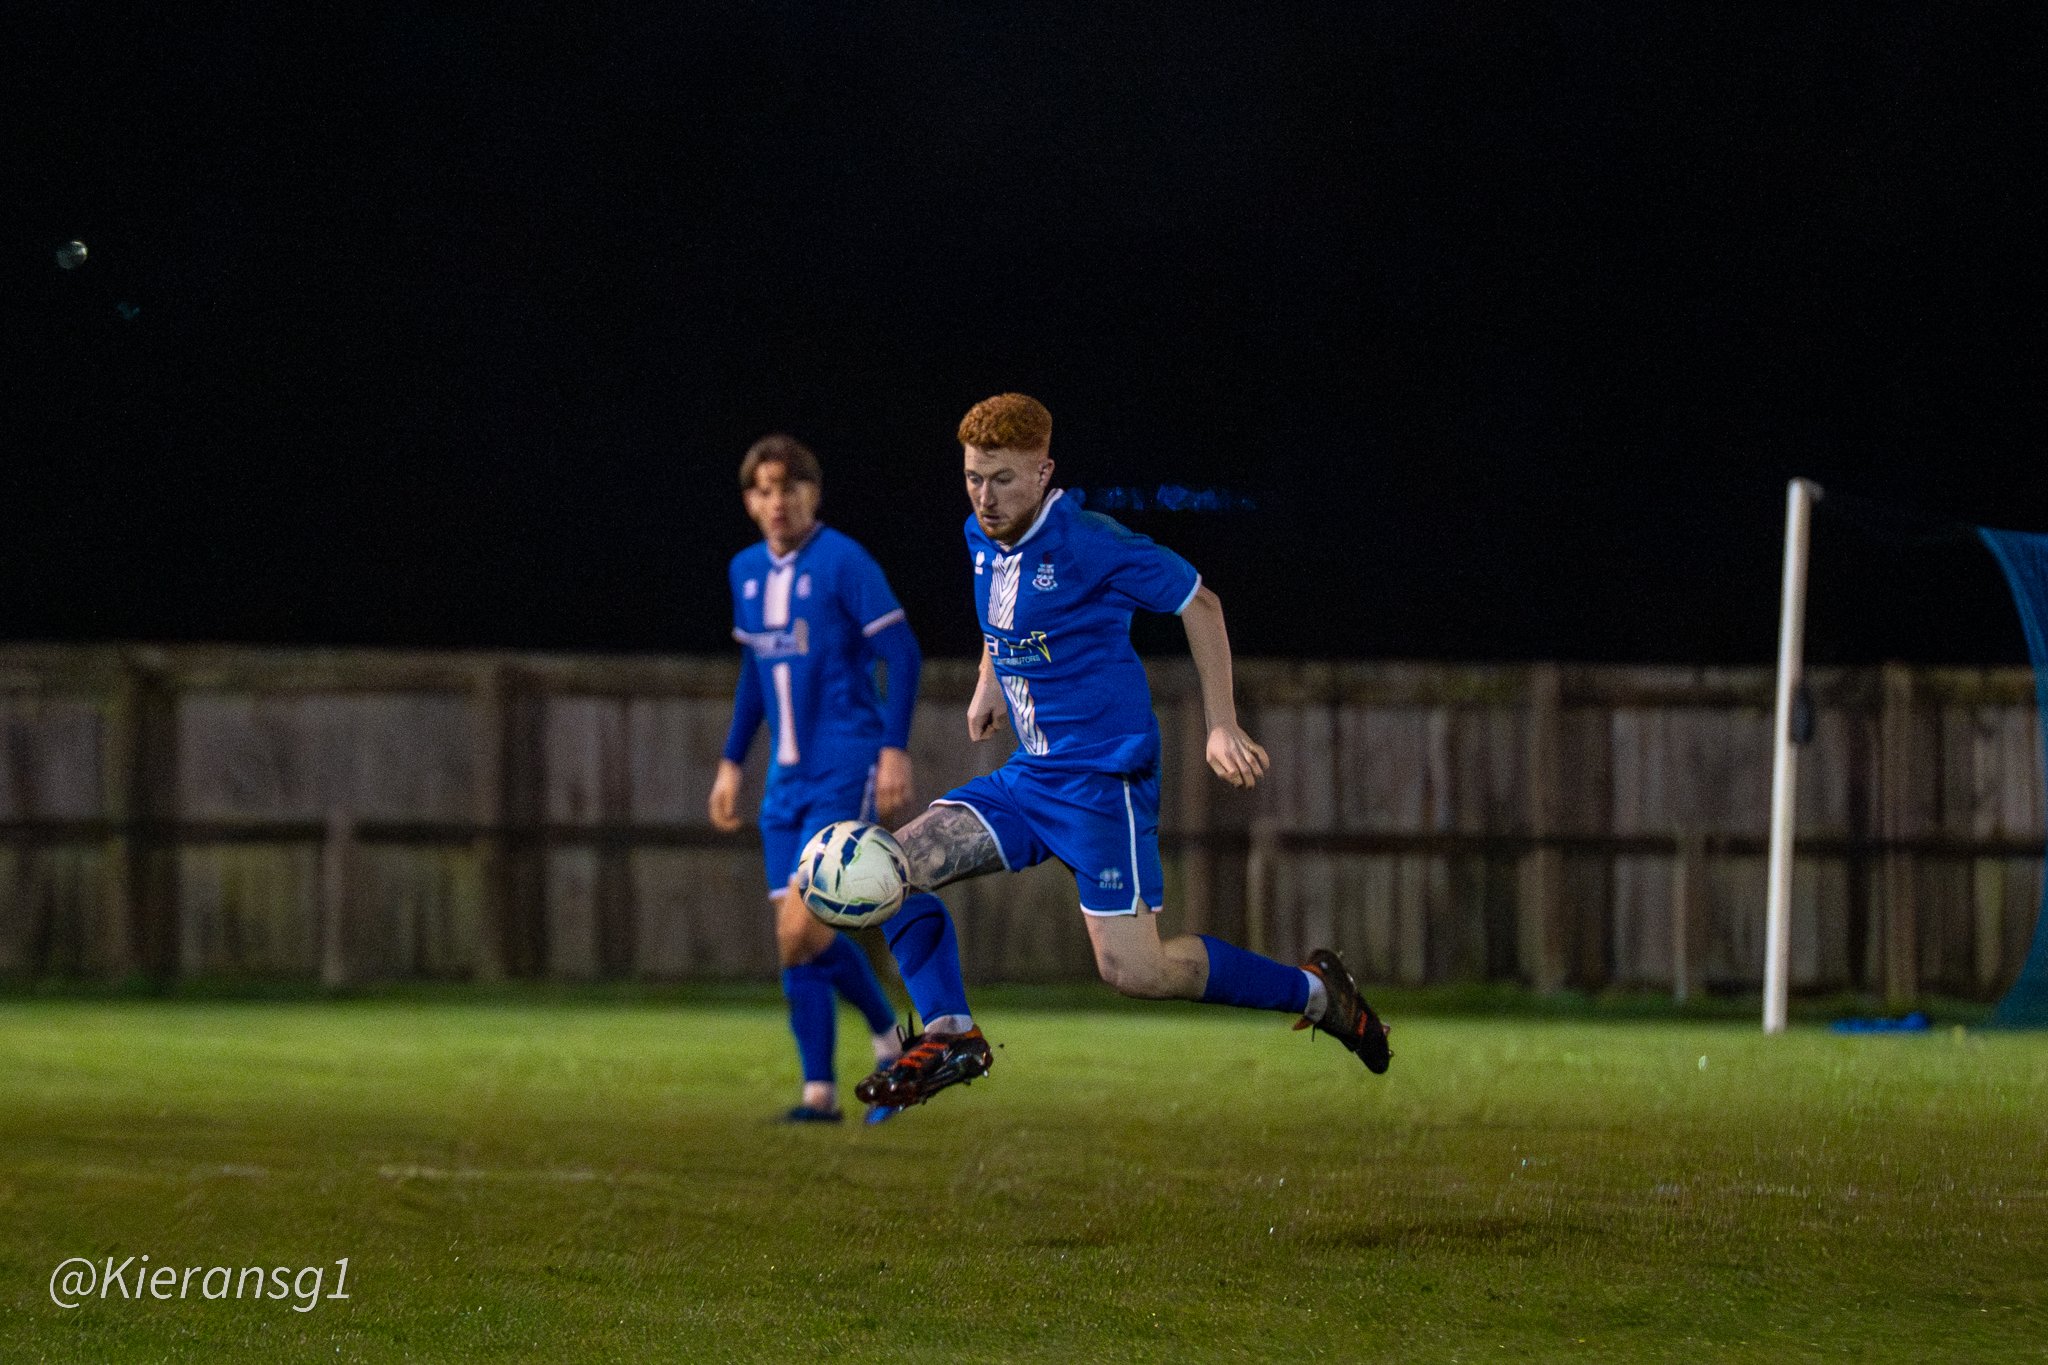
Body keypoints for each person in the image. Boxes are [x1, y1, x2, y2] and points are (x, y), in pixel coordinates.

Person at [852, 394, 1390, 1109]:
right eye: (974, 477)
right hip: (1028, 779)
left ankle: (1319, 994)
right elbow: (998, 612)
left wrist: (1221, 724)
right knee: (889, 871)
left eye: (1003, 479)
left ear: (1044, 472)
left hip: (1104, 783)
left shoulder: (1090, 543)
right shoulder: (982, 533)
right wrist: (989, 681)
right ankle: (952, 1036)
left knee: (1136, 971)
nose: (985, 496)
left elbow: (1201, 603)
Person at [710, 433, 941, 1123]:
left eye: (790, 486)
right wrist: (731, 762)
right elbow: (756, 674)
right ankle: (823, 1090)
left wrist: (893, 750)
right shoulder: (745, 571)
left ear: (813, 492)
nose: (777, 501)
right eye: (764, 490)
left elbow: (903, 652)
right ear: (750, 502)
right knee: (796, 941)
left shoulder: (843, 560)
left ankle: (885, 1040)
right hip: (784, 783)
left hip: (845, 765)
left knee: (798, 928)